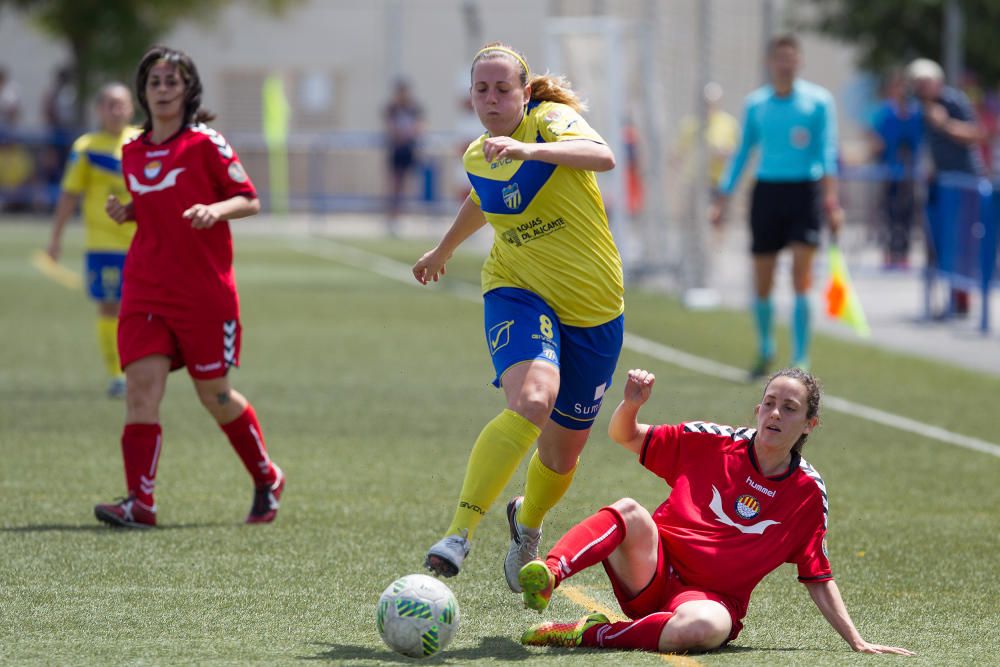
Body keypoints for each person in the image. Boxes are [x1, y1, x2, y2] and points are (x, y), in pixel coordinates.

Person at [412, 42, 624, 593]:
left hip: (594, 307)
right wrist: (443, 250)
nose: (491, 98)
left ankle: (526, 523)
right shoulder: (478, 154)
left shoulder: (551, 121)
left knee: (562, 453)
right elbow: (484, 200)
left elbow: (603, 156)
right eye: (481, 89)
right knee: (532, 400)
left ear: (524, 94)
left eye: (503, 88)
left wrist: (531, 153)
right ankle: (457, 535)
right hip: (518, 289)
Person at [517, 368, 914, 657]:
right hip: (651, 570)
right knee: (630, 511)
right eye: (770, 404)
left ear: (810, 425)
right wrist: (631, 406)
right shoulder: (711, 441)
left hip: (708, 600)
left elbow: (817, 576)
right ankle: (550, 573)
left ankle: (592, 634)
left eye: (790, 409)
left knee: (705, 629)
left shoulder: (808, 493)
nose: (776, 414)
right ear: (758, 409)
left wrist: (856, 640)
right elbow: (624, 435)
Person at [94, 46, 283, 528]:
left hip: (203, 293)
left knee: (215, 395)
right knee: (141, 389)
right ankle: (141, 503)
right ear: (143, 91)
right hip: (145, 288)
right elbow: (158, 200)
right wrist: (131, 211)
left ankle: (266, 477)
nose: (161, 90)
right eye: (154, 81)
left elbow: (249, 199)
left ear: (187, 89)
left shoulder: (206, 142)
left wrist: (214, 210)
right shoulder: (133, 149)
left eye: (171, 82)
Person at [710, 35, 844, 379]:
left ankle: (801, 357)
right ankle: (766, 345)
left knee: (801, 276)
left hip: (805, 193)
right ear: (770, 62)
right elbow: (743, 152)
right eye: (780, 58)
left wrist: (831, 201)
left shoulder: (818, 102)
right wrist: (722, 196)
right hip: (768, 193)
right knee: (763, 280)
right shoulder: (757, 105)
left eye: (791, 58)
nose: (786, 64)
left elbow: (827, 153)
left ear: (799, 62)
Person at [47, 83, 139, 397]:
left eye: (122, 104)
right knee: (110, 308)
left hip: (143, 243)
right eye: (110, 104)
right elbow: (70, 193)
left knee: (144, 311)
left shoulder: (142, 141)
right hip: (104, 245)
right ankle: (117, 374)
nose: (117, 110)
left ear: (131, 108)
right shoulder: (86, 147)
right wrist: (56, 237)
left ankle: (141, 369)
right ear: (99, 109)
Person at [907, 58, 985, 318]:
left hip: (965, 183)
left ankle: (962, 299)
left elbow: (975, 134)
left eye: (925, 81)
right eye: (918, 82)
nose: (921, 87)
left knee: (964, 241)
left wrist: (945, 123)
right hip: (940, 184)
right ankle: (948, 298)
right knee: (940, 243)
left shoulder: (954, 101)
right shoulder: (919, 109)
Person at [869, 70, 922, 269]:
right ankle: (889, 252)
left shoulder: (916, 113)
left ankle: (904, 253)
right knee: (889, 214)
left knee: (907, 215)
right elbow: (875, 137)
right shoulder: (884, 112)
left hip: (909, 174)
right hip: (889, 172)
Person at [672, 82, 738, 236]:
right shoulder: (690, 123)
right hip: (694, 181)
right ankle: (691, 254)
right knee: (691, 222)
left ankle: (715, 254)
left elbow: (735, 152)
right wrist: (679, 177)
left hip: (717, 182)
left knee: (717, 222)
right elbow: (677, 153)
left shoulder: (728, 124)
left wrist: (722, 152)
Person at [384, 78, 425, 234]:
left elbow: (420, 126)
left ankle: (403, 215)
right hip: (396, 149)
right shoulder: (392, 108)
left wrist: (410, 135)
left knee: (408, 183)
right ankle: (392, 216)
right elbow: (389, 126)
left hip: (409, 149)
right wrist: (398, 135)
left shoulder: (413, 108)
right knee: (394, 183)